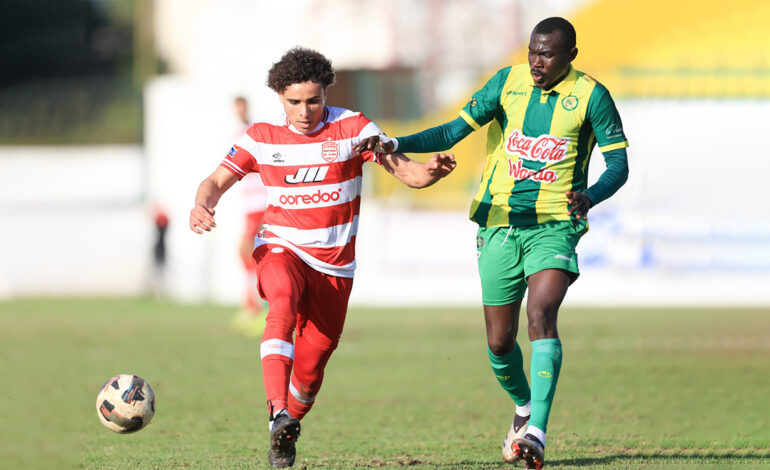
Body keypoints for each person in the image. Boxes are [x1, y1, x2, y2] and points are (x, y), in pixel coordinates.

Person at [356, 17, 629, 470]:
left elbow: (618, 165)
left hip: (555, 225)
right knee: (500, 343)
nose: (536, 62)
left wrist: (590, 196)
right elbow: (451, 132)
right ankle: (523, 409)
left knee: (541, 314)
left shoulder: (592, 96)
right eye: (532, 52)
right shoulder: (507, 82)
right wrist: (395, 141)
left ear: (570, 56)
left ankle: (537, 433)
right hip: (499, 226)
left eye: (547, 55)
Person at [189, 47, 456, 469]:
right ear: (279, 97)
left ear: (326, 93)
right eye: (294, 101)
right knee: (280, 302)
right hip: (281, 246)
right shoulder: (261, 137)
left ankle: (287, 427)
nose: (304, 111)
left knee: (311, 374)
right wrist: (203, 205)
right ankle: (276, 411)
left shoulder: (354, 128)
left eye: (313, 100)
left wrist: (433, 171)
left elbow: (408, 173)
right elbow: (214, 181)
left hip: (335, 267)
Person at [230, 96, 270, 338]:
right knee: (248, 253)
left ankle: (261, 308)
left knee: (253, 252)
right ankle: (253, 306)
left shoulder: (253, 133)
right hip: (250, 205)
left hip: (261, 203)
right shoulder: (238, 132)